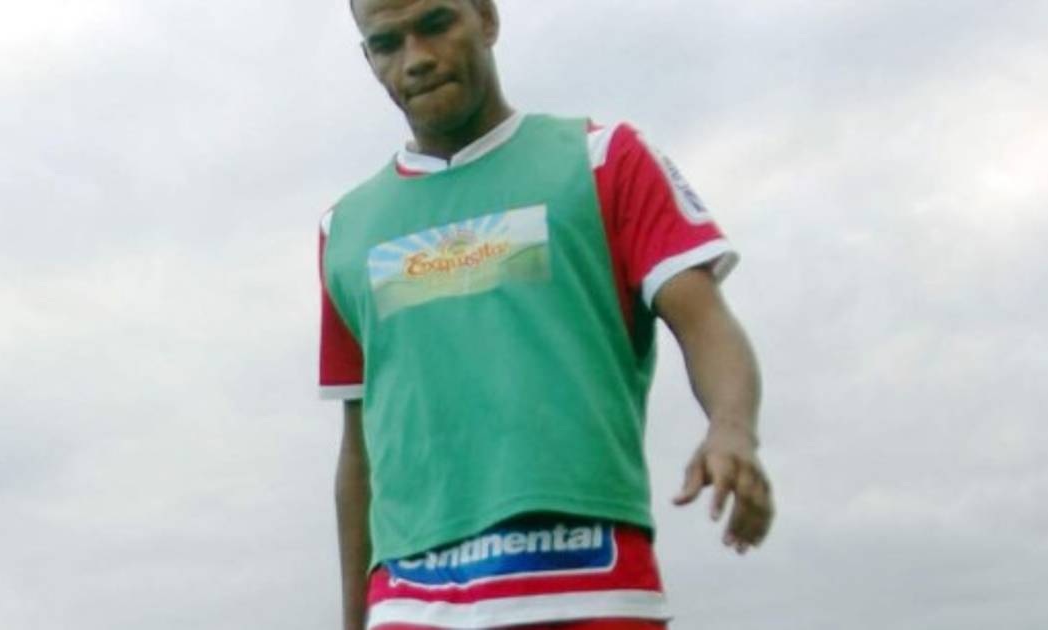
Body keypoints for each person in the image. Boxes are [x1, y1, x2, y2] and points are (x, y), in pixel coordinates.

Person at [318, 1, 774, 628]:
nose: (416, 58)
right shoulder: (345, 230)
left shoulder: (600, 160)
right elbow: (360, 446)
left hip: (584, 576)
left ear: (486, 18)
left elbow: (705, 322)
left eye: (437, 24)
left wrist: (732, 428)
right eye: (387, 43)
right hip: (412, 595)